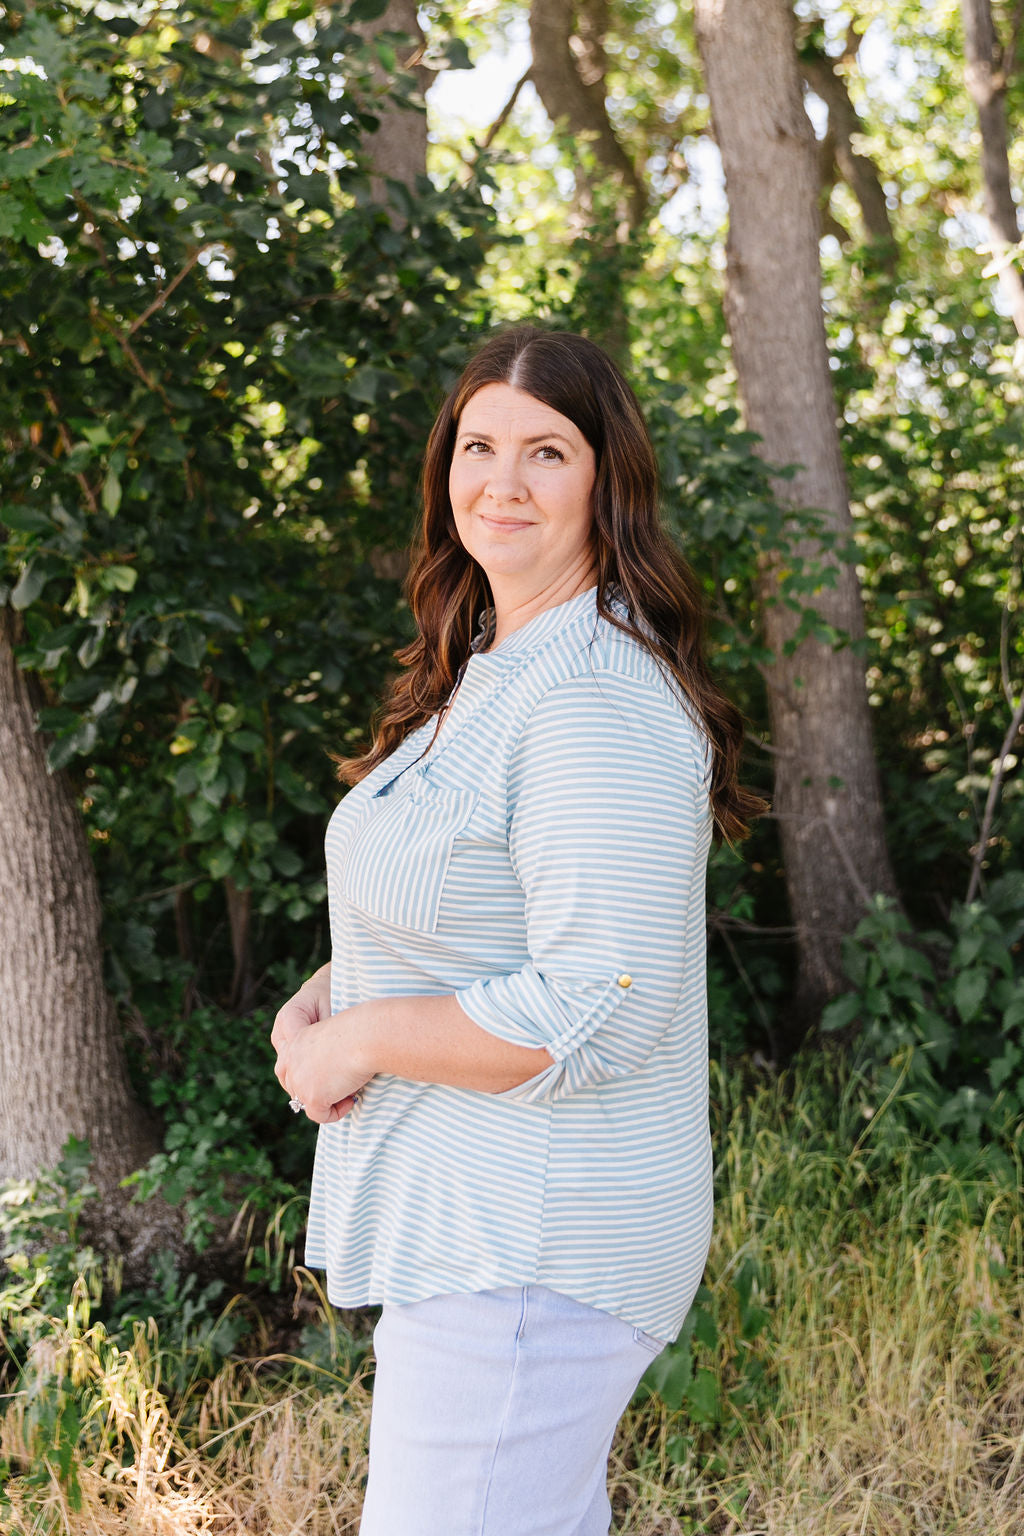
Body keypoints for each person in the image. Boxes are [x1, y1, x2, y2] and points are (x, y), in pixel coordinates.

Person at [271, 326, 764, 1536]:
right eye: (479, 445)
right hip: (483, 1230)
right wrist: (336, 989)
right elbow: (480, 894)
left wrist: (365, 1040)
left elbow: (589, 1001)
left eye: (546, 451)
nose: (502, 481)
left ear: (606, 481)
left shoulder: (594, 694)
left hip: (542, 1244)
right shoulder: (496, 666)